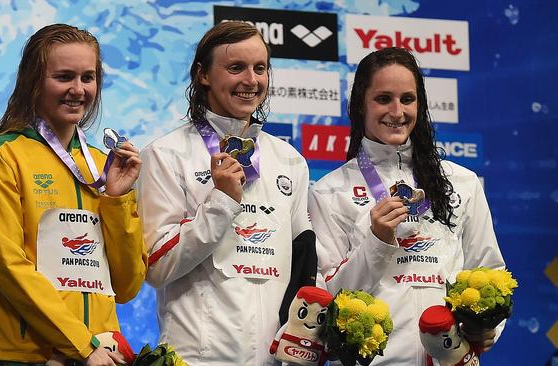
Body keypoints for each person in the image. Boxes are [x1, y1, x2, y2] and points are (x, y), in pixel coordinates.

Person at [0, 24, 147, 366]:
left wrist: (117, 200)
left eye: (87, 77)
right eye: (64, 77)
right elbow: (9, 267)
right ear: (33, 82)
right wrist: (82, 344)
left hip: (102, 353)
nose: (78, 90)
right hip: (26, 358)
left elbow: (127, 286)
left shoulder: (102, 166)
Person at [309, 47, 506, 365]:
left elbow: (489, 271)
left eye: (408, 99)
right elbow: (328, 299)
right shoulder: (330, 191)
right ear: (361, 104)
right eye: (383, 98)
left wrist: (488, 327)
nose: (397, 111)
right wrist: (375, 240)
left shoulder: (463, 182)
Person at [138, 21, 315, 365]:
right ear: (203, 75)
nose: (251, 80)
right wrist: (221, 202)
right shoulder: (166, 154)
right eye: (236, 68)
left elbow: (304, 267)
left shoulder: (289, 160)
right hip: (197, 358)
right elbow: (156, 267)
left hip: (272, 359)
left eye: (260, 68)